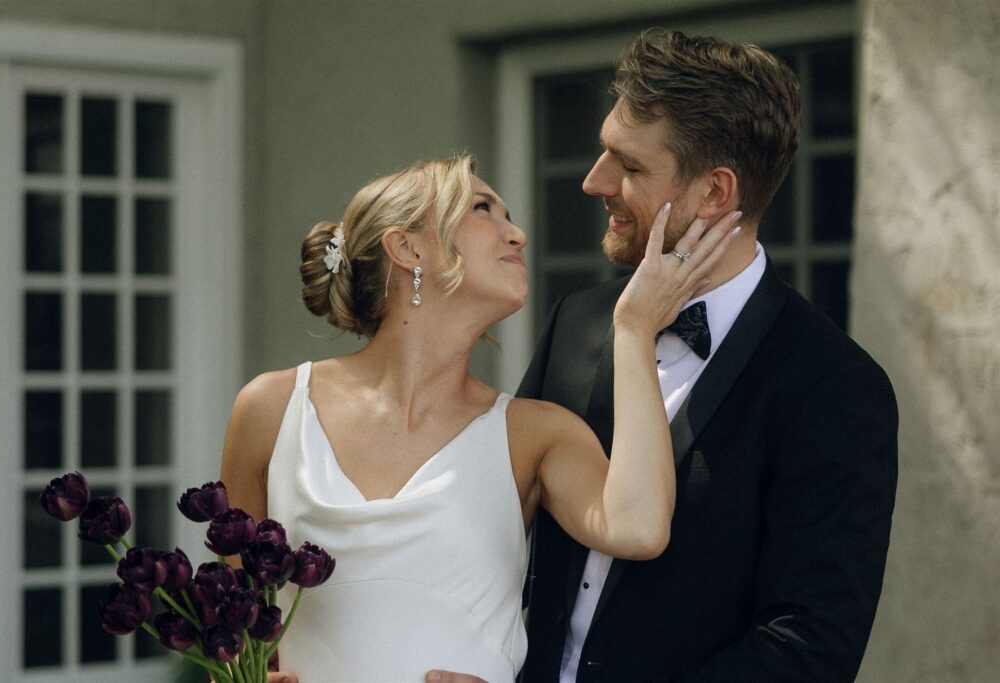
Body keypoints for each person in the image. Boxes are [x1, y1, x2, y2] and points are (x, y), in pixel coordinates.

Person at [430, 27, 898, 683]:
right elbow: (498, 539)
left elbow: (807, 647)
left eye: (630, 165)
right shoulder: (579, 320)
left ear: (714, 193)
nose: (594, 182)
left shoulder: (836, 386)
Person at [220, 154, 740, 682]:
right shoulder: (272, 409)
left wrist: (634, 327)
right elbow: (228, 633)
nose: (517, 234)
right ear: (408, 247)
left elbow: (640, 528)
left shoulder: (536, 435)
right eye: (482, 209)